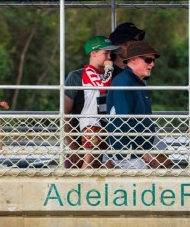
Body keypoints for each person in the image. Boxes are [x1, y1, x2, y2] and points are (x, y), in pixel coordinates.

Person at [106, 41, 172, 169]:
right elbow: (122, 122)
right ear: (133, 60)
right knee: (142, 185)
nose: (152, 64)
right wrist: (143, 153)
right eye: (148, 60)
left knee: (162, 164)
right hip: (128, 154)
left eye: (153, 60)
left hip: (136, 152)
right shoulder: (123, 82)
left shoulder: (137, 82)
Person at [71, 36, 121, 168]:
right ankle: (79, 185)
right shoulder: (89, 72)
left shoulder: (100, 73)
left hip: (102, 120)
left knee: (98, 159)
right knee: (89, 157)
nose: (109, 57)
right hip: (91, 121)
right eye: (106, 53)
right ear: (93, 53)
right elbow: (103, 87)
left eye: (110, 53)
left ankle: (94, 185)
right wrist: (109, 69)